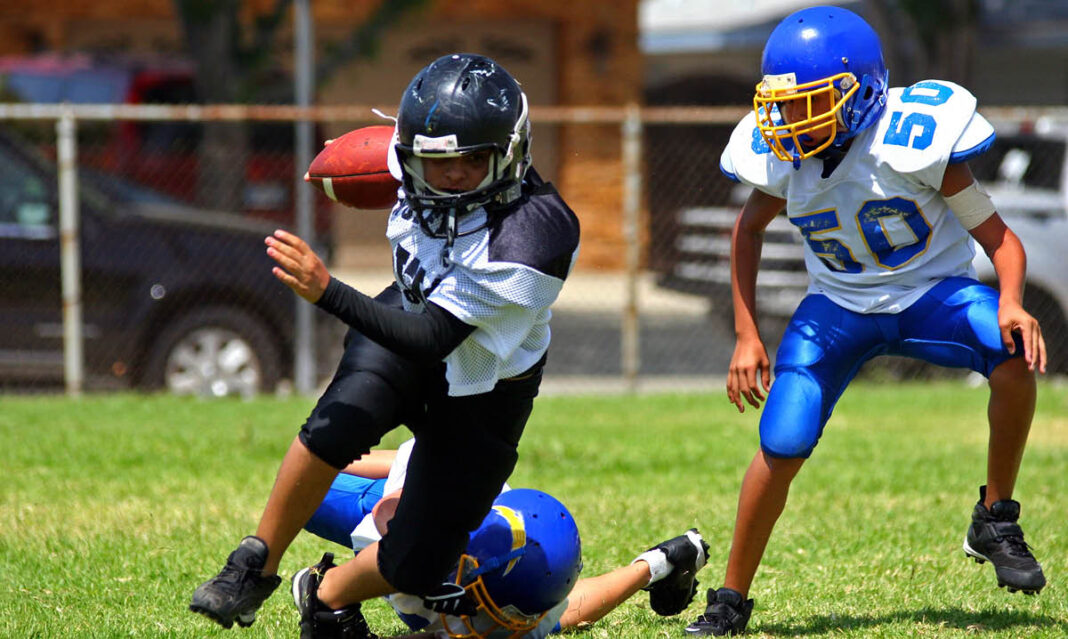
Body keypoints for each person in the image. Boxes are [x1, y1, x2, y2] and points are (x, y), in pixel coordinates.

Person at [684, 6, 1048, 636]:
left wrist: (1012, 300)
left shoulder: (914, 143)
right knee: (783, 441)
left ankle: (995, 516)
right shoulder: (784, 158)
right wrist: (748, 333)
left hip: (932, 293)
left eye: (808, 103)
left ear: (861, 92)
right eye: (782, 104)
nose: (789, 120)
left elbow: (1003, 242)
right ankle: (730, 600)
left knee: (1012, 355)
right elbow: (746, 233)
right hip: (838, 309)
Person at [189, 52, 581, 631]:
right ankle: (254, 563)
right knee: (338, 420)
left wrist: (329, 292)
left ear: (511, 153)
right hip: (409, 314)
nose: (450, 176)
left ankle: (325, 595)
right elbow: (386, 165)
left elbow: (435, 339)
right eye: (433, 161)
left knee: (420, 564)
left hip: (484, 378)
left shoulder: (535, 233)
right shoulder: (410, 162)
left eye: (473, 161)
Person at [292, 438, 711, 638]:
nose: (505, 626)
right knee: (303, 490)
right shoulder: (430, 519)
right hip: (394, 508)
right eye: (494, 610)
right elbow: (413, 459)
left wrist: (656, 563)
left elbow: (570, 608)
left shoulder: (525, 595)